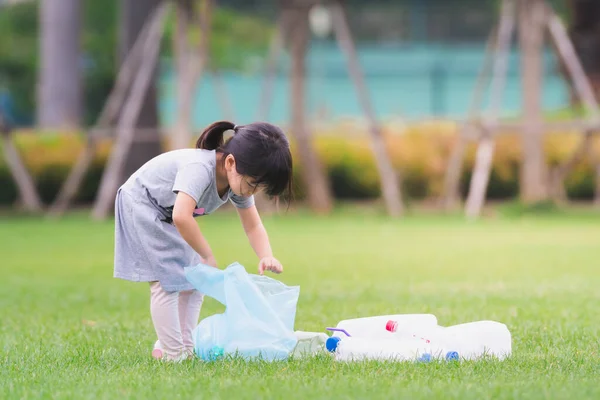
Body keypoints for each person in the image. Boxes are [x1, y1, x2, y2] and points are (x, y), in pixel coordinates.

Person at [113, 120, 293, 361]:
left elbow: (253, 225)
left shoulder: (237, 182)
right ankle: (173, 354)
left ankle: (186, 348)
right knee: (167, 282)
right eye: (252, 184)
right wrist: (206, 255)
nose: (252, 192)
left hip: (168, 215)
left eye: (259, 188)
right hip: (143, 205)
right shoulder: (199, 168)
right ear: (230, 162)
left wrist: (266, 255)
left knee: (194, 281)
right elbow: (181, 216)